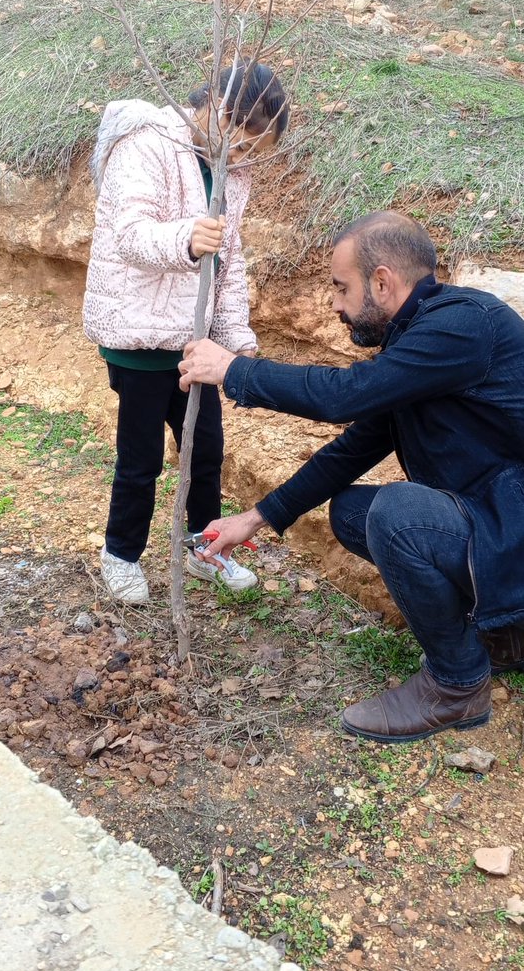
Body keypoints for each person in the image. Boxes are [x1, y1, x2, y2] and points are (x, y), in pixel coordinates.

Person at [178, 210, 524, 744]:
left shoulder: (463, 325)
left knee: (399, 515)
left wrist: (234, 371)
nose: (336, 305)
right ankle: (505, 633)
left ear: (382, 282)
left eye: (342, 288)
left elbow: (346, 396)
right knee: (353, 512)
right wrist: (256, 517)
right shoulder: (423, 345)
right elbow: (356, 444)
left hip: (512, 523)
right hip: (502, 523)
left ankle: (458, 686)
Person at [83, 61, 288, 605]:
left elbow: (231, 259)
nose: (242, 159)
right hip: (142, 337)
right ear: (218, 113)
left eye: (251, 153)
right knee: (142, 457)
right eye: (241, 145)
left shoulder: (232, 173)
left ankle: (206, 548)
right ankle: (121, 555)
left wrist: (235, 337)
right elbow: (128, 234)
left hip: (195, 342)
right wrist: (185, 238)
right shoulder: (148, 144)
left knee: (205, 450)